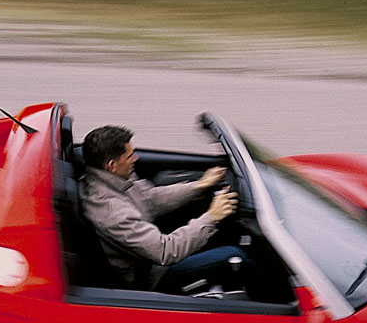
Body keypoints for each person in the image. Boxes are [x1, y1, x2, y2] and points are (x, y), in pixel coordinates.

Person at [80, 124, 246, 293]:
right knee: (235, 255)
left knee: (224, 230)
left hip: (151, 255)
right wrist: (211, 217)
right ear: (111, 165)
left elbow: (149, 199)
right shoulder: (110, 210)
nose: (136, 158)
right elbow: (166, 251)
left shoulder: (113, 179)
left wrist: (199, 186)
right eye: (129, 156)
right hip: (152, 275)